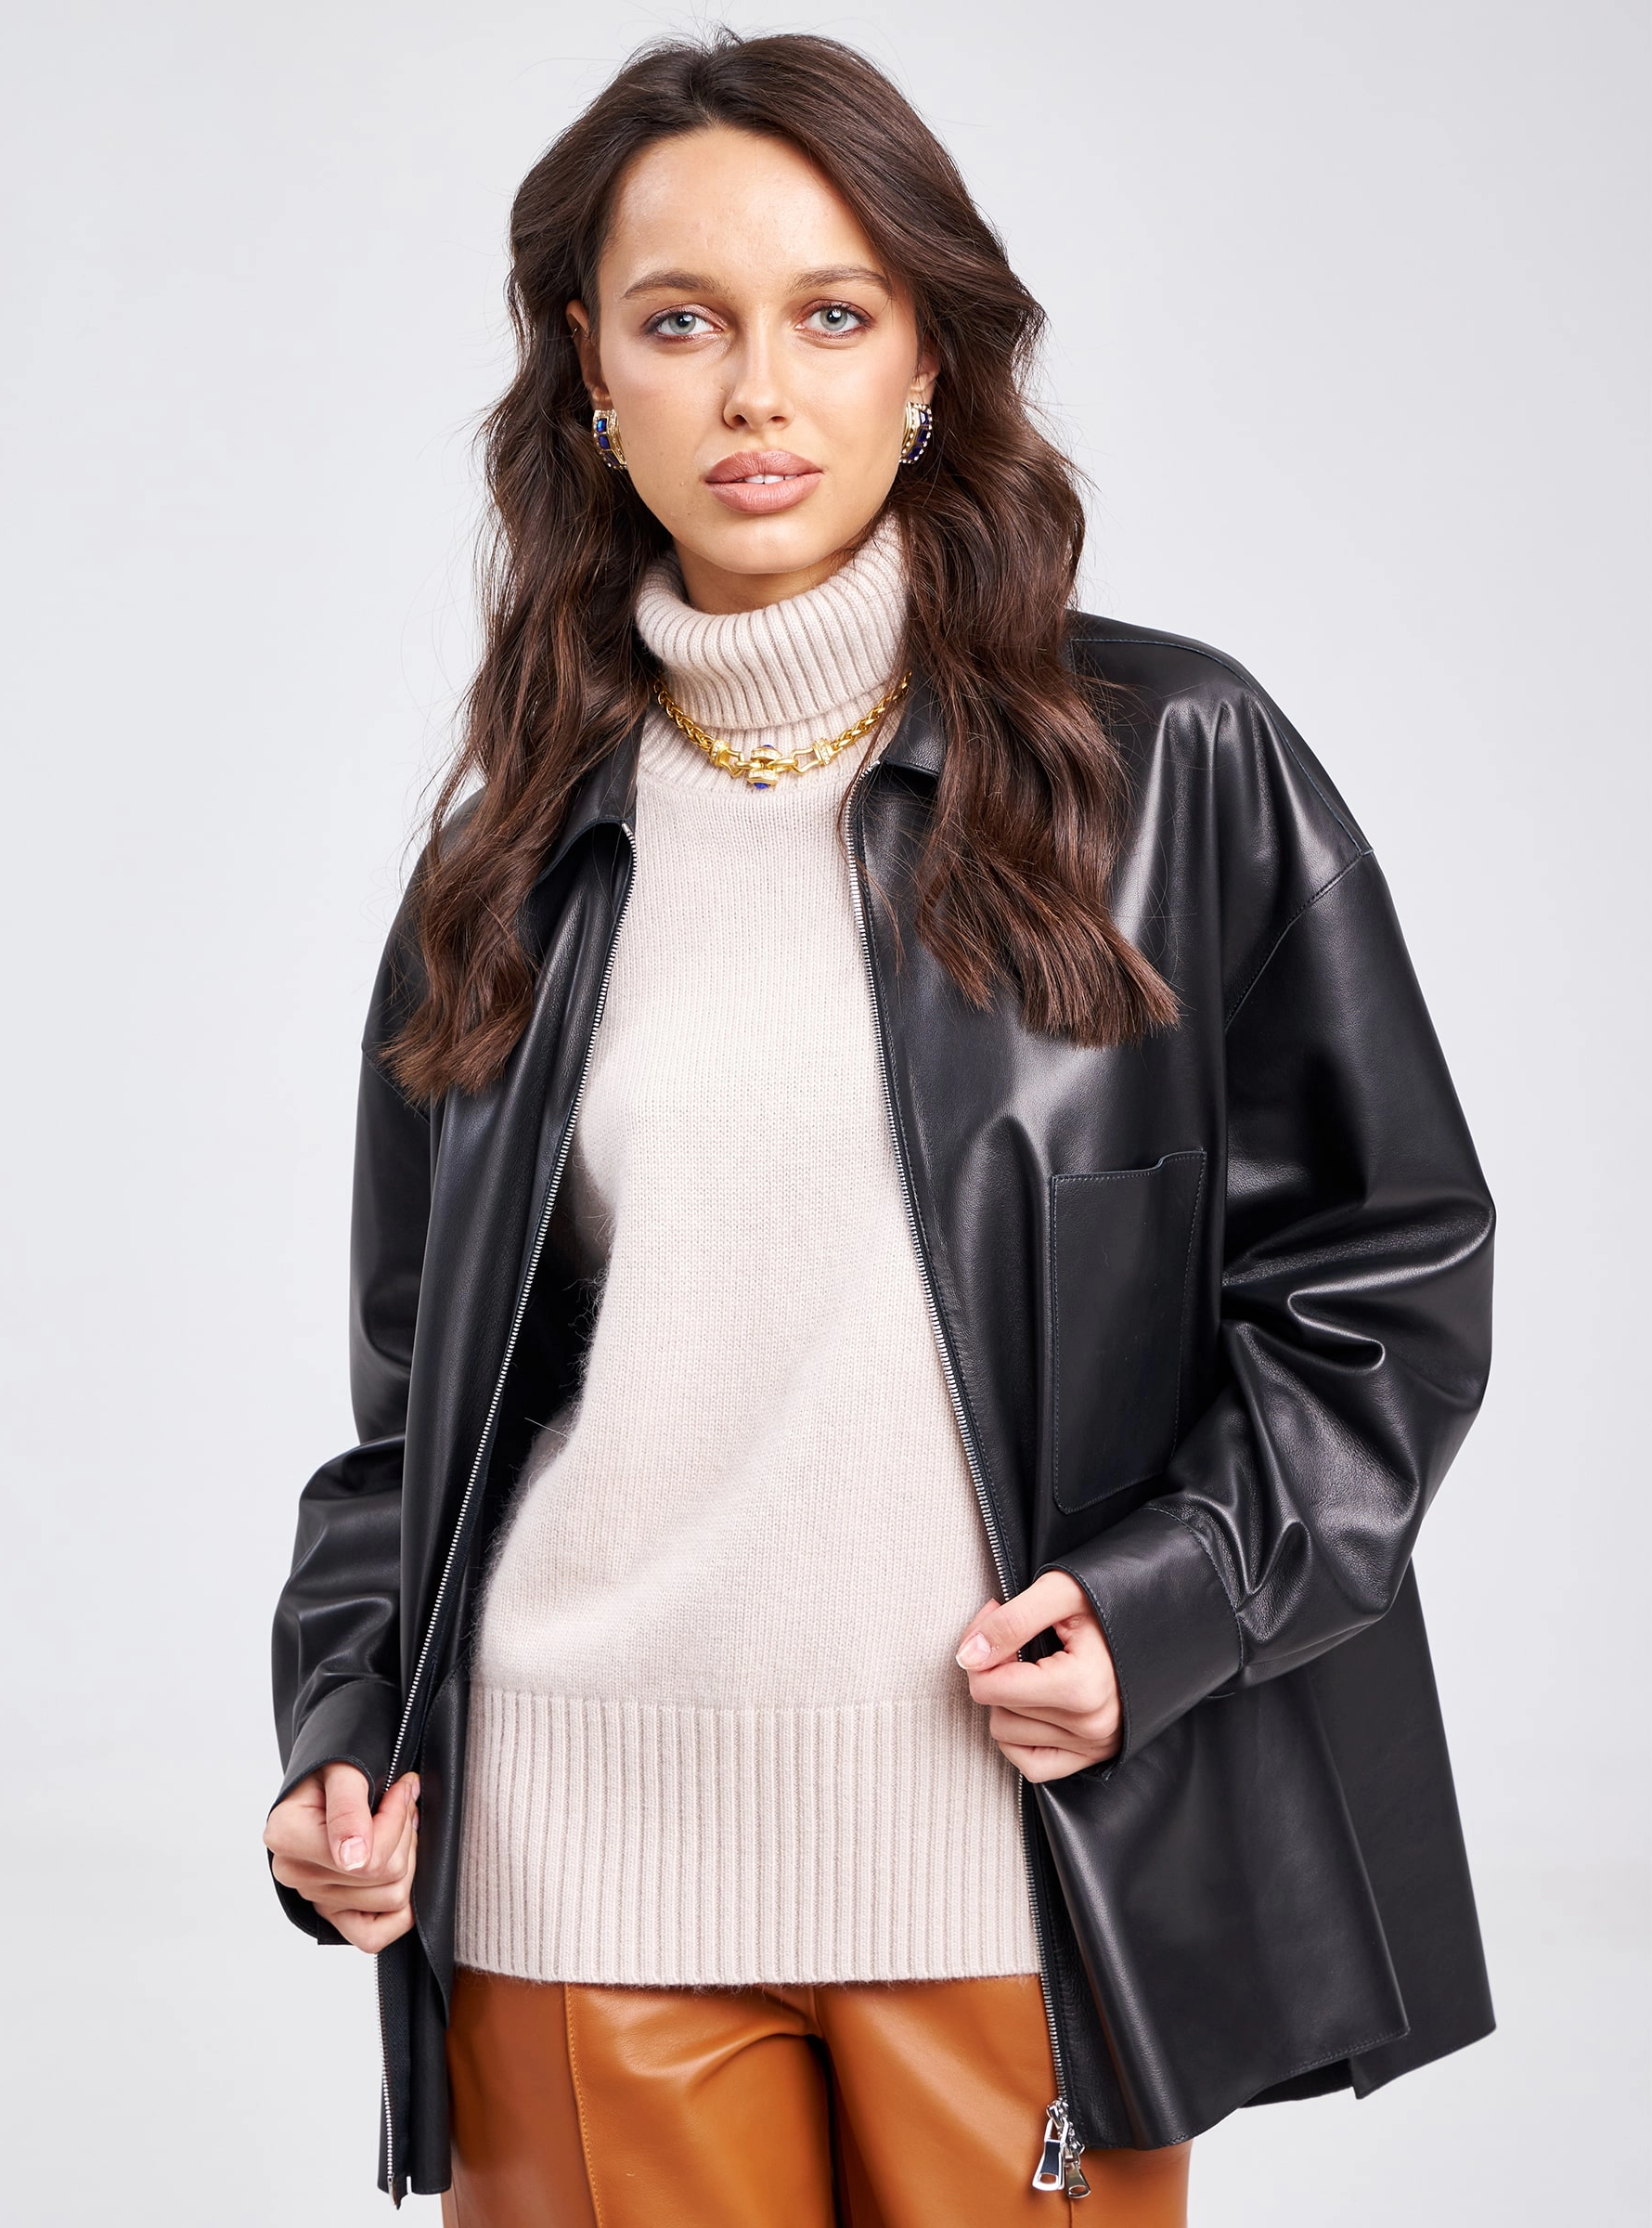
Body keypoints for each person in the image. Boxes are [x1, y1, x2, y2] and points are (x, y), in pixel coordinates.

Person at [264, 32, 1495, 2227]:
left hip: (1009, 1858)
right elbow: (413, 1420)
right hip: (574, 1857)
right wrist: (344, 1729)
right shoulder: (512, 861)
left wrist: (1174, 1605)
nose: (758, 392)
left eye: (831, 314)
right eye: (682, 322)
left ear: (928, 356)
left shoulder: (1167, 766)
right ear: (588, 372)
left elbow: (1383, 1275)